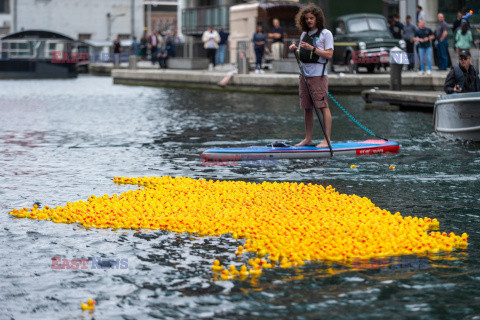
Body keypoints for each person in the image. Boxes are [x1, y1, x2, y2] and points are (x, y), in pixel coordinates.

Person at [288, 4, 333, 148]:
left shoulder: (326, 34)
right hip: (304, 76)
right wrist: (295, 50)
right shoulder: (304, 35)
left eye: (311, 18)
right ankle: (308, 138)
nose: (309, 21)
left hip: (318, 76)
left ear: (317, 18)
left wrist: (313, 48)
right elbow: (303, 55)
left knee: (322, 106)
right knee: (307, 108)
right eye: (306, 18)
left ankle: (327, 140)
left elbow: (329, 54)